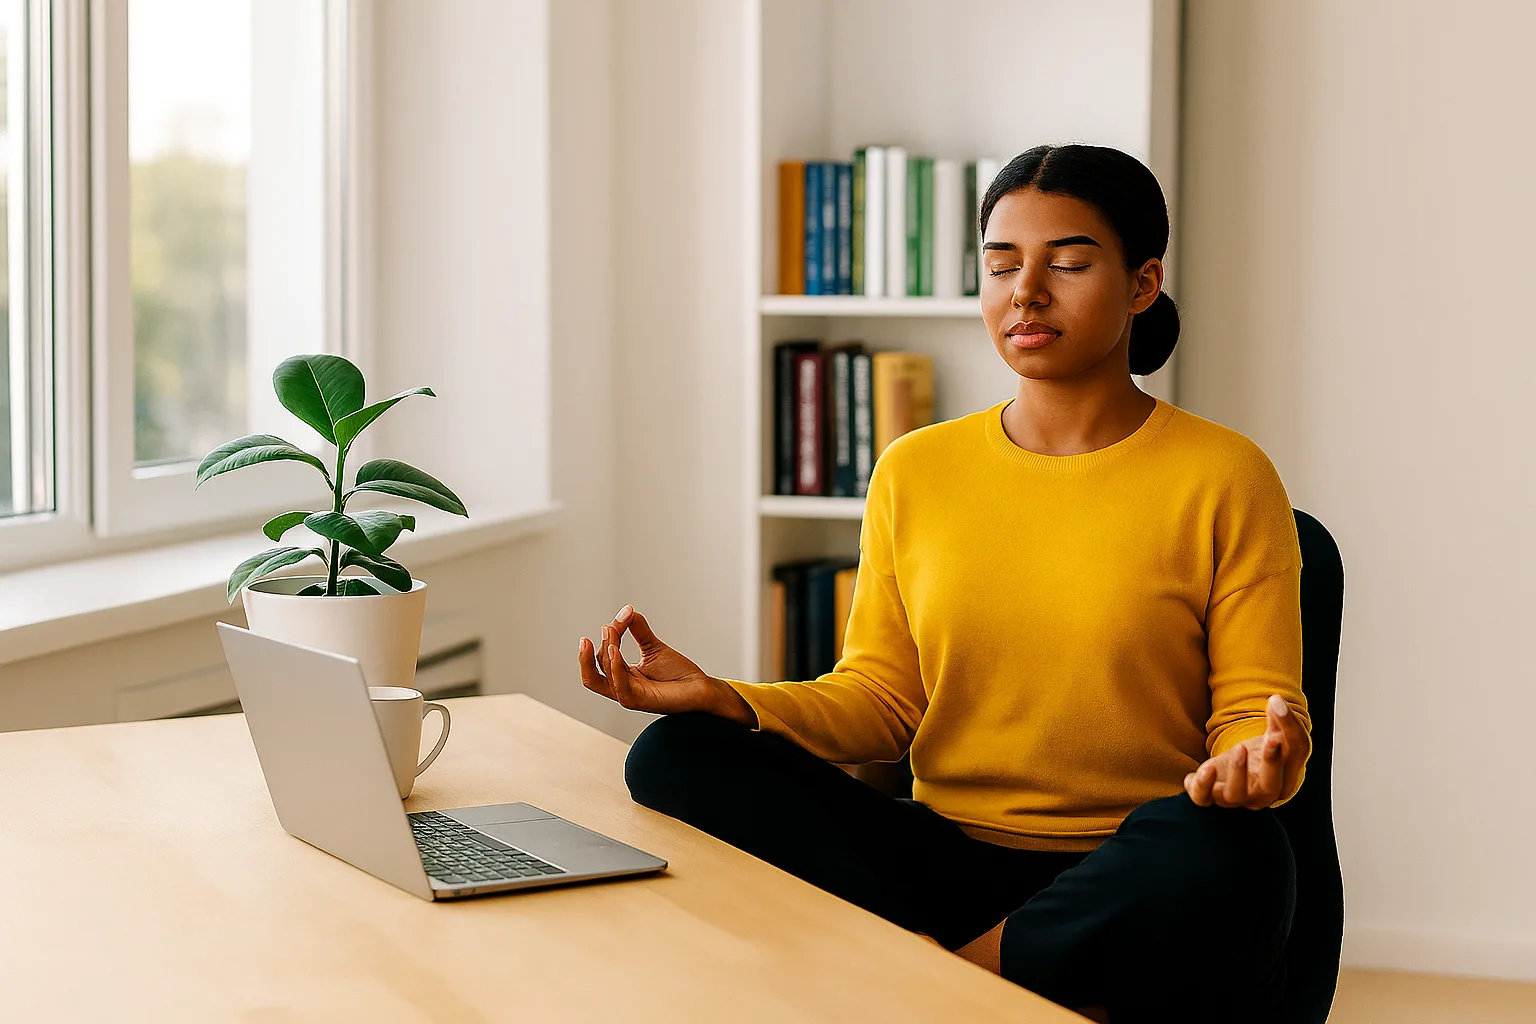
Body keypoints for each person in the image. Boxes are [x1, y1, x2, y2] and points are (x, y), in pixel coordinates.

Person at [577, 144, 1309, 1023]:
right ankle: (974, 979)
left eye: (1068, 264)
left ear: (1143, 283)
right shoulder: (916, 469)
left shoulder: (1226, 476)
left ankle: (932, 989)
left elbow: (1257, 710)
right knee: (676, 754)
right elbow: (882, 702)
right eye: (1001, 265)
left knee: (1240, 852)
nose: (1025, 293)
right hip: (944, 859)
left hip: (1125, 871)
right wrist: (727, 699)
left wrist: (1258, 764)